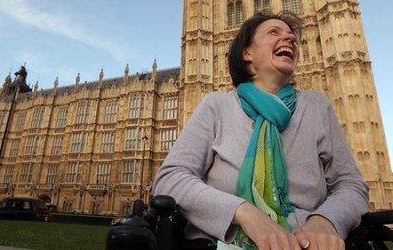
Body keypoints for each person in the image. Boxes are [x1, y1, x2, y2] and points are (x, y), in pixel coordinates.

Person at [153, 11, 369, 250]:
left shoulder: (316, 106)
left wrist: (325, 220)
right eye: (274, 32)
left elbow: (350, 184)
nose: (289, 39)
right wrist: (244, 213)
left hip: (306, 242)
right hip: (224, 240)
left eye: (292, 36)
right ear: (247, 53)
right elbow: (170, 178)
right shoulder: (218, 105)